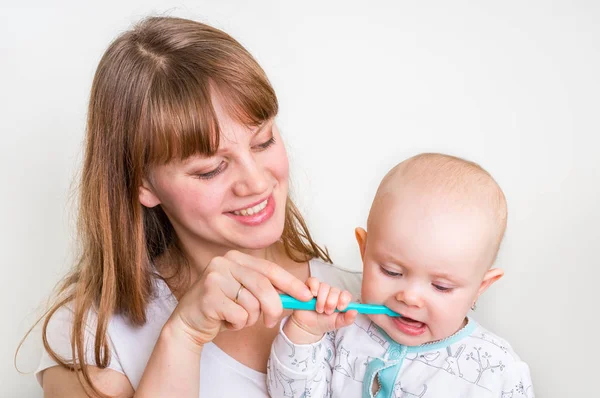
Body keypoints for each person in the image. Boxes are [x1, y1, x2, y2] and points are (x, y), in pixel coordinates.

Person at [33, 16, 361, 397]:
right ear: (143, 183)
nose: (256, 182)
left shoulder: (368, 298)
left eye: (263, 141)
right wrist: (183, 334)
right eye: (211, 169)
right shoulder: (91, 336)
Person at [267, 153, 535, 398]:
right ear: (365, 250)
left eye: (441, 286)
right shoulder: (339, 326)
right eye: (391, 271)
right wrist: (304, 332)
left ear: (481, 286)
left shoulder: (497, 370)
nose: (410, 297)